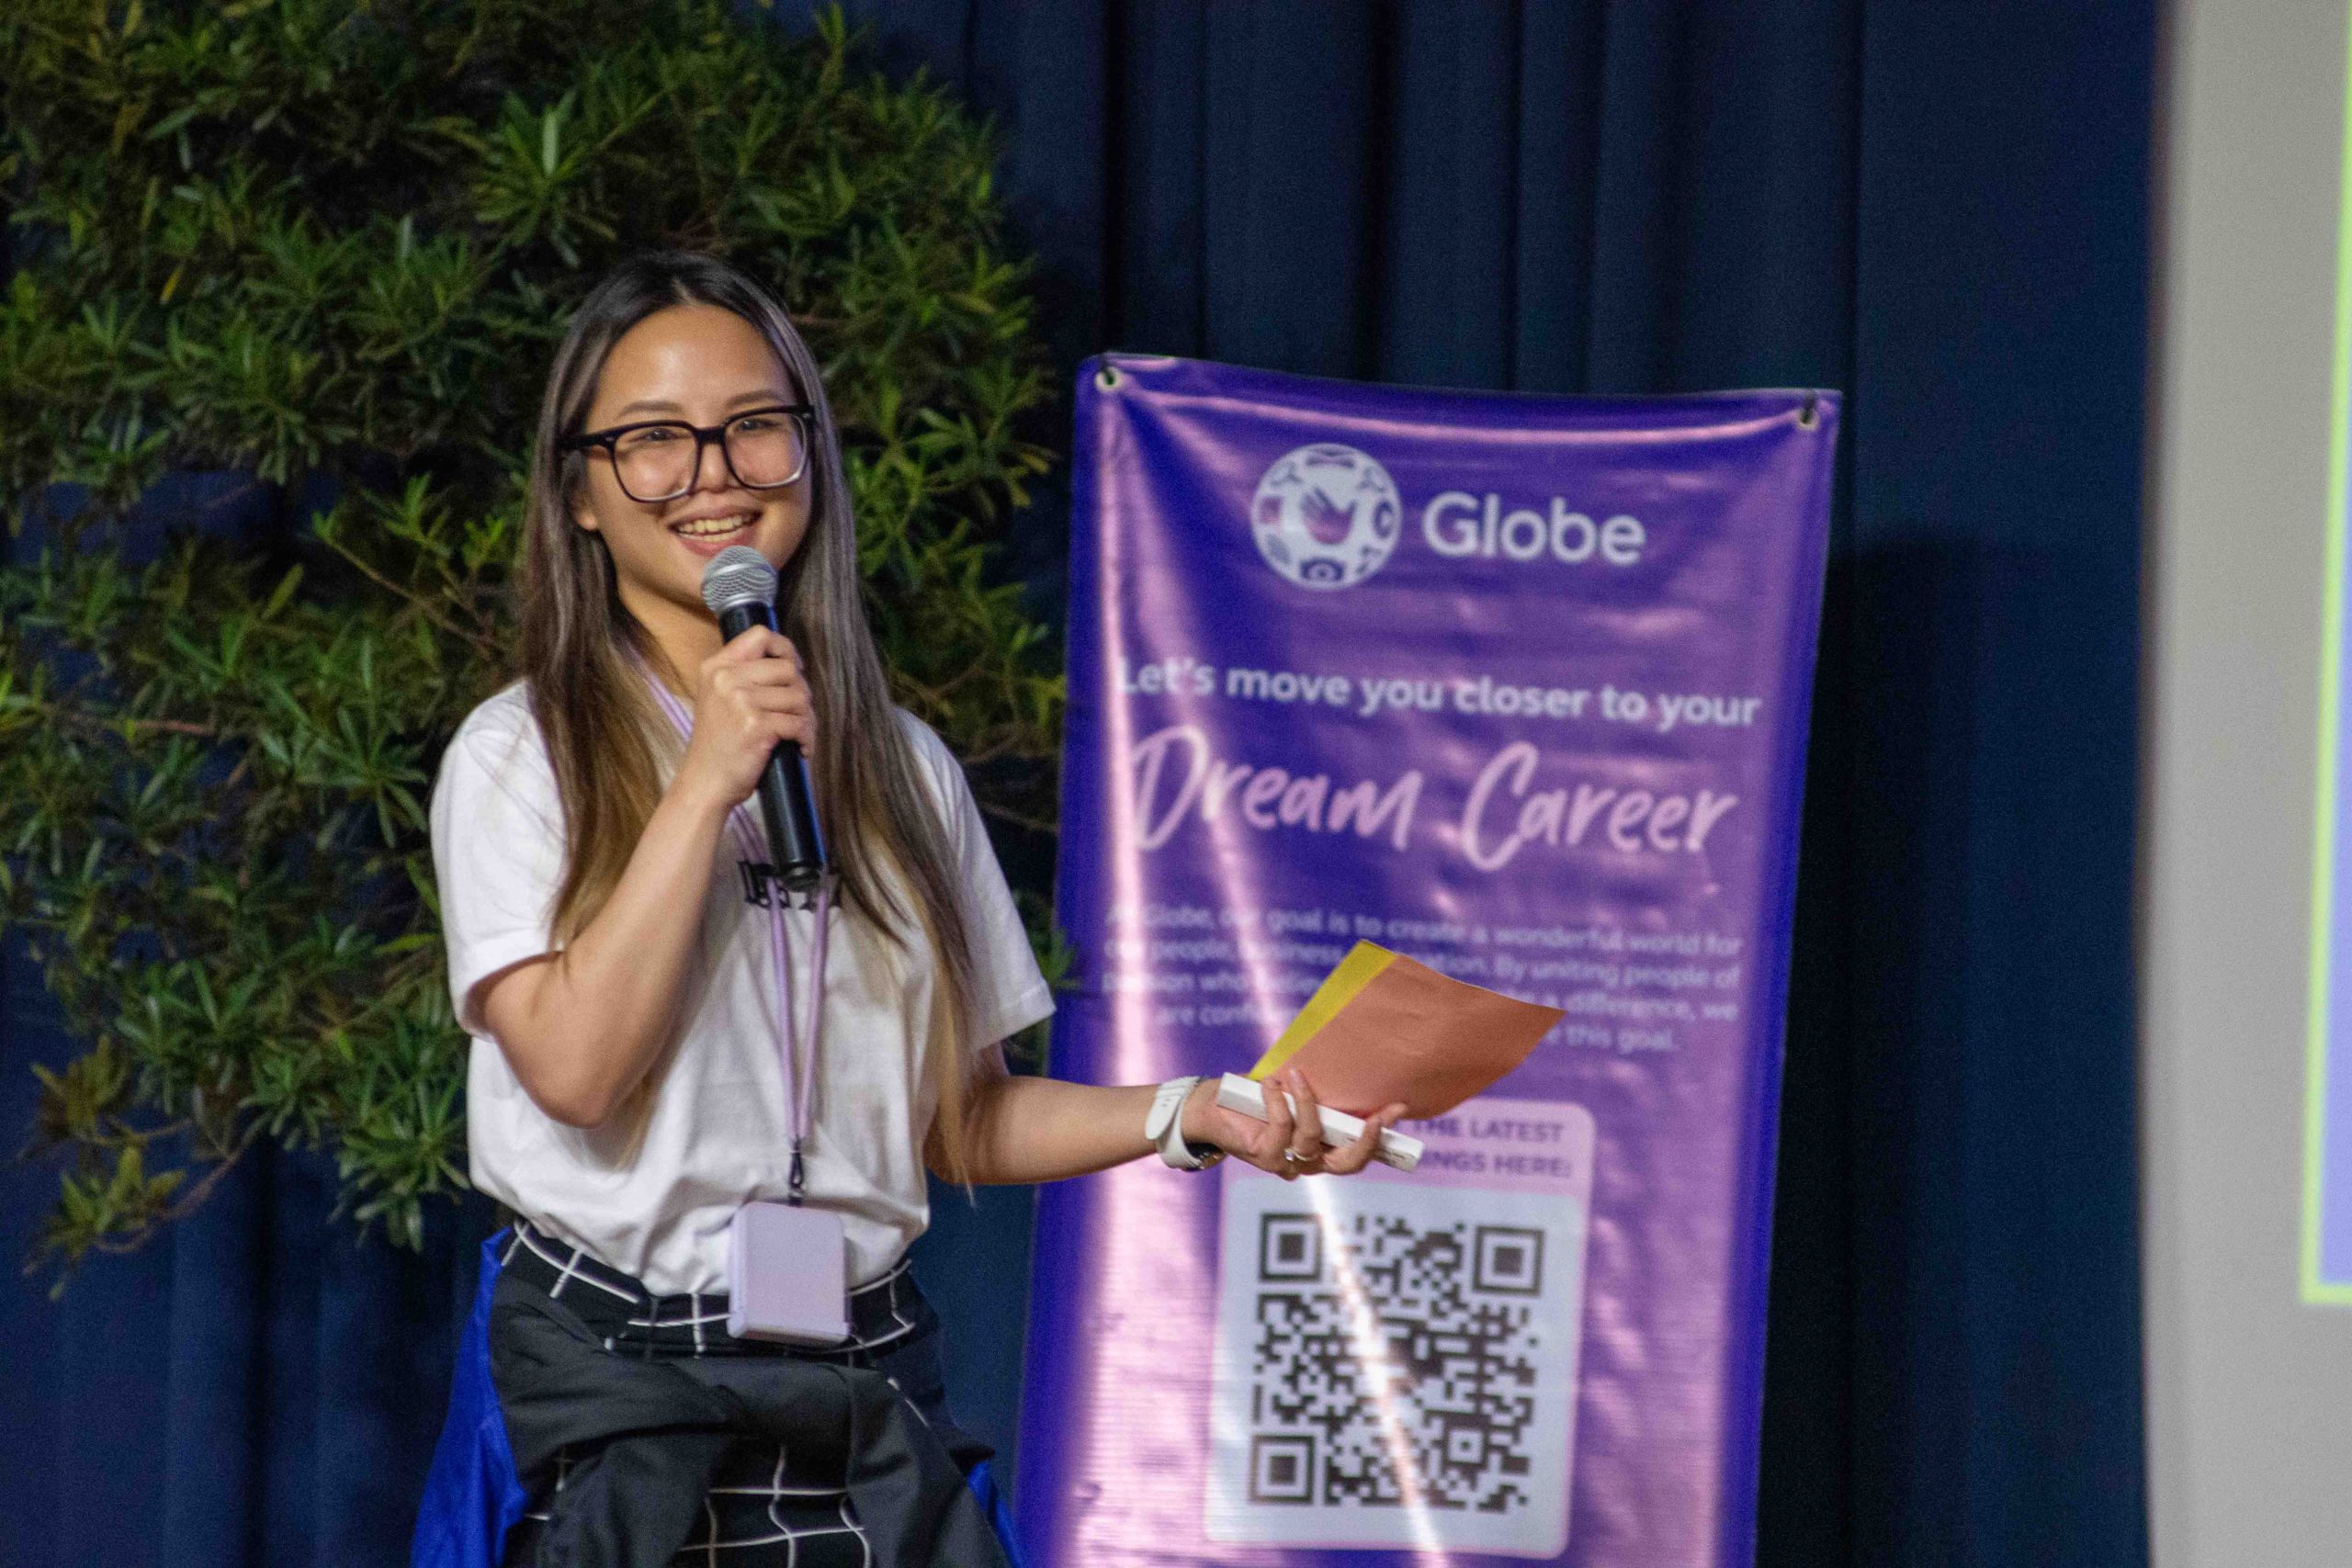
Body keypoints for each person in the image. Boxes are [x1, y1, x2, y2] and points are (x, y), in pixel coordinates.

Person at [411, 249, 1406, 1568]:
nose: (711, 473)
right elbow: (577, 1072)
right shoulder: (517, 752)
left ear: (810, 458)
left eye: (753, 428)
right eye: (653, 441)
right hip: (622, 1390)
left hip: (864, 1381)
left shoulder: (901, 765)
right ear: (582, 493)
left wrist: (1192, 1113)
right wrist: (704, 781)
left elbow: (965, 1114)